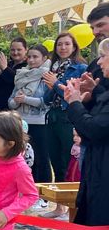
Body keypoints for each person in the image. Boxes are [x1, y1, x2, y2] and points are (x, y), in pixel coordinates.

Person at [65, 38, 109, 230]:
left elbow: (94, 129)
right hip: (98, 170)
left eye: (104, 57)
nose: (101, 63)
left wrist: (73, 104)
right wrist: (94, 93)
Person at [42, 32, 88, 219]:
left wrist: (57, 83)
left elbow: (73, 97)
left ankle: (74, 206)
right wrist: (51, 86)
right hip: (51, 117)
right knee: (56, 162)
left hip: (68, 118)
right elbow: (46, 99)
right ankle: (60, 207)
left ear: (74, 46)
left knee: (71, 163)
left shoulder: (80, 68)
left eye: (66, 44)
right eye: (59, 44)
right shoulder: (53, 68)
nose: (62, 47)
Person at [7, 44, 51, 192]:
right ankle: (28, 191)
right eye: (29, 57)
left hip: (40, 123)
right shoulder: (21, 75)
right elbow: (11, 101)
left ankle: (44, 195)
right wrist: (16, 101)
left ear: (44, 58)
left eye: (35, 57)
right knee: (25, 160)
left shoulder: (47, 76)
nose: (31, 60)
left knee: (41, 159)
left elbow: (45, 102)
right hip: (22, 124)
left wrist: (25, 99)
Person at [0, 37, 28, 111]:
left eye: (19, 50)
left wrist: (5, 69)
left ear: (26, 50)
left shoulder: (28, 67)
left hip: (14, 111)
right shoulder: (6, 64)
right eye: (12, 50)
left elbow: (16, 82)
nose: (15, 52)